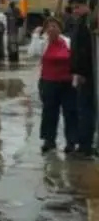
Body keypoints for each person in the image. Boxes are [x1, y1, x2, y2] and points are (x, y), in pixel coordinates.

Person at [29, 17, 74, 153]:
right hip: (48, 83)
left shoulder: (68, 42)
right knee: (49, 112)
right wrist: (36, 36)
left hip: (68, 83)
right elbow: (32, 53)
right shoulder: (43, 43)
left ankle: (71, 142)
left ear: (60, 28)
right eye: (48, 27)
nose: (51, 29)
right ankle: (49, 141)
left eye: (54, 26)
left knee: (70, 112)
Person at [69, 0, 96, 156]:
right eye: (73, 8)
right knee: (83, 109)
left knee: (85, 110)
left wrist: (81, 73)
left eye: (78, 7)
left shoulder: (87, 24)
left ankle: (85, 147)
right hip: (81, 74)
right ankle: (84, 144)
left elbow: (85, 52)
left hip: (86, 75)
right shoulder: (80, 23)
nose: (75, 11)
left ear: (87, 6)